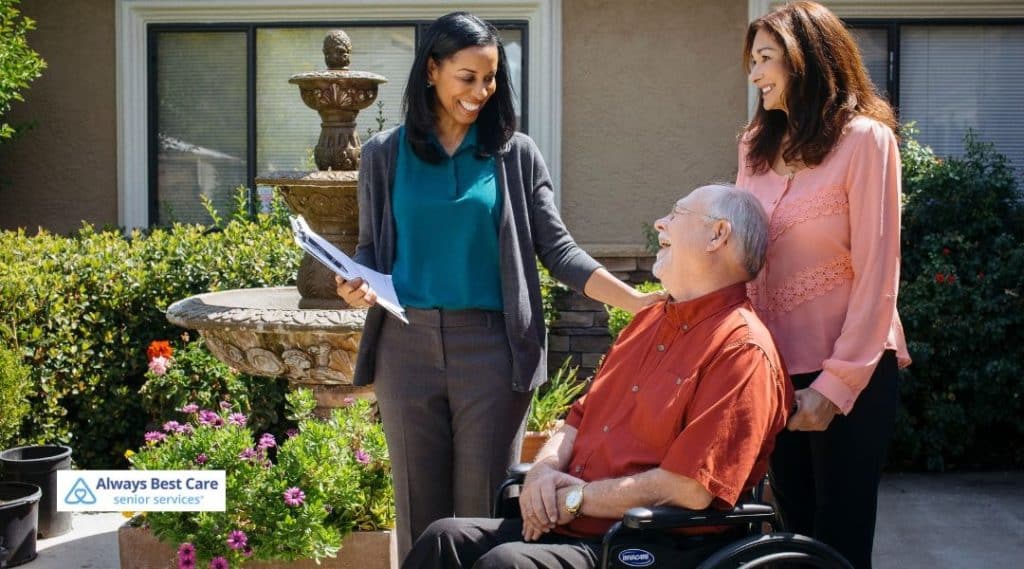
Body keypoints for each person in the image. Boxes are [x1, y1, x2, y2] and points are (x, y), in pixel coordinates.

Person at [334, 12, 662, 559]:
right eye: (468, 77)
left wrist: (634, 300)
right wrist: (356, 280)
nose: (481, 92)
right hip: (405, 349)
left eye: (490, 79)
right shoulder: (383, 155)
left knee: (481, 513)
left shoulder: (515, 154)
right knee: (418, 511)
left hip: (491, 351)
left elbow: (557, 250)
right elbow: (372, 248)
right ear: (432, 71)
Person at [401, 184, 793, 569]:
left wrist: (576, 500)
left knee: (507, 563)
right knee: (444, 539)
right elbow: (577, 421)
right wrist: (542, 473)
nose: (660, 224)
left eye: (676, 214)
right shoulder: (648, 322)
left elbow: (688, 488)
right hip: (579, 525)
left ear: (717, 235)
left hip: (652, 541)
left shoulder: (742, 350)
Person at [737, 2, 912, 567]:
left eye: (766, 58)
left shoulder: (866, 140)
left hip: (852, 375)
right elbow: (742, 259)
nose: (755, 73)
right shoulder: (754, 147)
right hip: (777, 374)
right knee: (789, 542)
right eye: (753, 60)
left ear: (805, 60)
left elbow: (879, 273)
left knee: (838, 543)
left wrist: (834, 388)